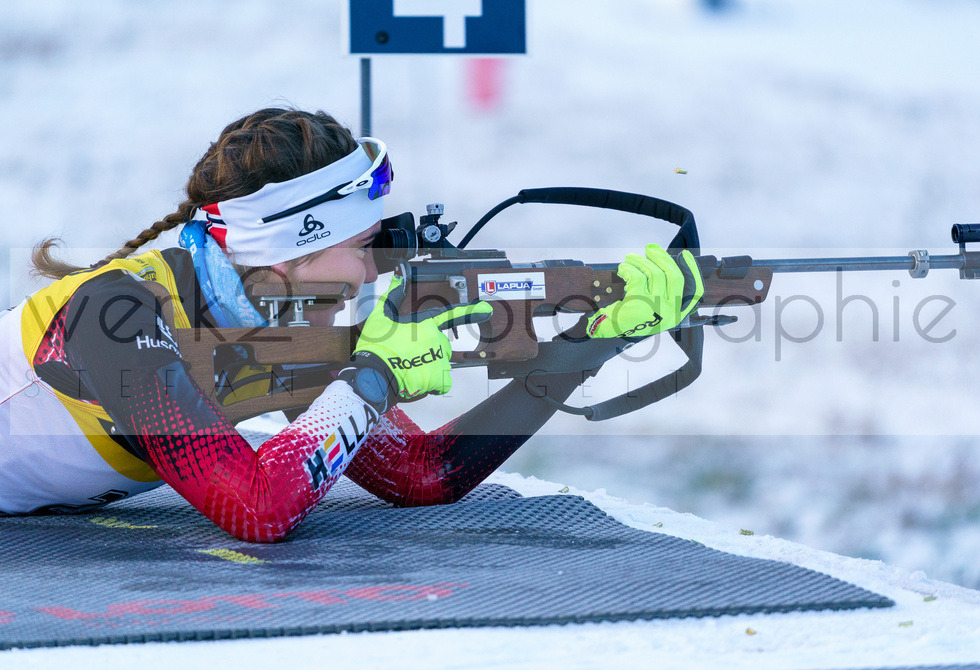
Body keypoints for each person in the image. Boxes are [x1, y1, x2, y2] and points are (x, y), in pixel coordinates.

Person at [0, 107, 703, 542]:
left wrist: (593, 342)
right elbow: (256, 509)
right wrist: (369, 378)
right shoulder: (116, 315)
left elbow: (421, 475)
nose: (373, 273)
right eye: (361, 248)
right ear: (287, 249)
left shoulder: (276, 325)